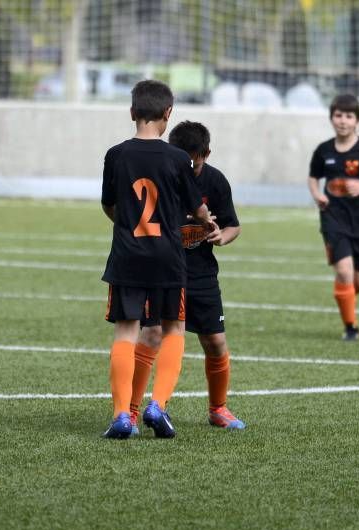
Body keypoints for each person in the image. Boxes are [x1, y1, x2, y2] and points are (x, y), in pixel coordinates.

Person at [100, 80, 215, 439]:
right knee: (173, 329)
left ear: (132, 112)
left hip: (127, 255)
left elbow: (109, 205)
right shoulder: (179, 158)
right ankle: (157, 404)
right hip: (168, 256)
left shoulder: (116, 154)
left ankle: (122, 415)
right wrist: (206, 221)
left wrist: (127, 222)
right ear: (168, 113)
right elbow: (197, 209)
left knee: (126, 332)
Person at [129, 121, 245, 433]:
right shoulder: (160, 177)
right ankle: (130, 412)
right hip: (163, 272)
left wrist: (222, 235)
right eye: (183, 159)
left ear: (206, 154)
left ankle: (218, 408)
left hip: (201, 274)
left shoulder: (215, 181)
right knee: (152, 335)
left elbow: (234, 225)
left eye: (195, 160)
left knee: (215, 342)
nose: (189, 166)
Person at [307, 94, 359, 341]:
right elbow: (314, 177)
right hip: (333, 218)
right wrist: (317, 195)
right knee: (344, 272)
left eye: (348, 116)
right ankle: (351, 327)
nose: (343, 121)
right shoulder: (323, 151)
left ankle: (344, 296)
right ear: (332, 118)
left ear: (357, 121)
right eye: (338, 115)